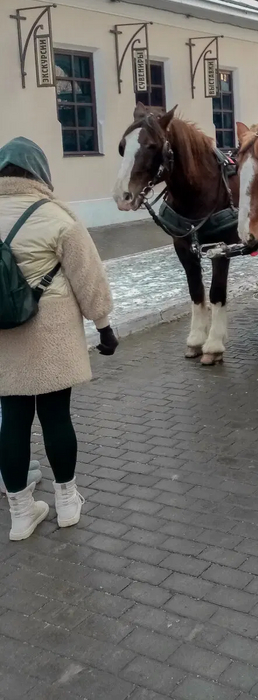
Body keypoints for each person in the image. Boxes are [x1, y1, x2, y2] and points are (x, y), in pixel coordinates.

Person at [0, 137, 117, 541]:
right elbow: (89, 277)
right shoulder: (57, 216)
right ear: (40, 174)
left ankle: (20, 514)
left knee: (12, 422)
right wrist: (103, 325)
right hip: (51, 335)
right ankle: (67, 502)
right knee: (55, 416)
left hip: (3, 337)